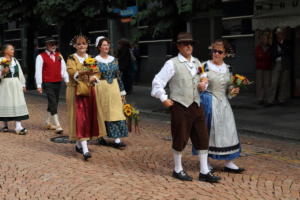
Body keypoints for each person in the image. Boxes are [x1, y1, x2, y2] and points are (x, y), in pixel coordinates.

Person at [151, 32, 220, 183]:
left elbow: (203, 78)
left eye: (191, 43)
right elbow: (157, 82)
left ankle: (204, 171)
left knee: (202, 137)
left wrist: (204, 84)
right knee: (180, 137)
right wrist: (163, 98)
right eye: (185, 43)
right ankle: (177, 169)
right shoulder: (172, 63)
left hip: (196, 104)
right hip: (180, 106)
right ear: (178, 46)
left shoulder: (197, 63)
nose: (189, 46)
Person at [192, 39, 244, 174]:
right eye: (214, 51)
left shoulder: (228, 68)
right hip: (208, 103)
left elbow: (229, 88)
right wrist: (200, 86)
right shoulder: (204, 66)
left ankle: (229, 161)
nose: (216, 54)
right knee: (207, 132)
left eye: (219, 52)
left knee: (228, 131)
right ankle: (205, 162)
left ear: (225, 54)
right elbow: (195, 83)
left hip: (224, 105)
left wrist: (233, 91)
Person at [66, 34, 101, 160]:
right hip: (76, 91)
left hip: (89, 90)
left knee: (88, 117)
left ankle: (78, 143)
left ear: (87, 45)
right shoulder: (71, 58)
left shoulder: (90, 57)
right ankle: (85, 149)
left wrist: (94, 77)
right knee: (80, 118)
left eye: (84, 44)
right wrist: (84, 71)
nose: (82, 46)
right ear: (75, 46)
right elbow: (72, 73)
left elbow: (97, 72)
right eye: (79, 44)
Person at [94, 36, 128, 150]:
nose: (106, 47)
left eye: (107, 45)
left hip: (113, 88)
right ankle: (100, 136)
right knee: (102, 112)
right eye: (104, 45)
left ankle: (117, 139)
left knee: (116, 112)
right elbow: (91, 76)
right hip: (100, 88)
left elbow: (118, 76)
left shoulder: (114, 60)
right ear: (99, 47)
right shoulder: (94, 60)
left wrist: (122, 91)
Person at [35, 37, 69, 133]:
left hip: (57, 82)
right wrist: (39, 85)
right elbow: (38, 71)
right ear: (46, 45)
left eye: (55, 44)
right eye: (51, 44)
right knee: (53, 101)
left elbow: (63, 68)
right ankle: (58, 125)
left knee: (54, 102)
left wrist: (66, 80)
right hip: (47, 82)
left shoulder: (59, 55)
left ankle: (47, 121)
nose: (53, 46)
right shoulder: (40, 57)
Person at [0, 44, 29, 135]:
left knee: (17, 103)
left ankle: (18, 126)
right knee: (6, 103)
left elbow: (20, 72)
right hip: (5, 84)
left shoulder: (15, 60)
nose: (13, 50)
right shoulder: (1, 60)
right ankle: (5, 125)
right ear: (5, 51)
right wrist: (2, 72)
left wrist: (23, 84)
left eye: (13, 49)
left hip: (15, 84)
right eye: (11, 49)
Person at [266, 27, 293, 106]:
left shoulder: (288, 42)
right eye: (277, 34)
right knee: (274, 82)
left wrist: (281, 46)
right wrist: (279, 53)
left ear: (283, 34)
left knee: (284, 82)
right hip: (276, 63)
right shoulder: (274, 43)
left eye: (280, 33)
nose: (279, 35)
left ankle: (281, 100)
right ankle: (270, 100)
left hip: (285, 63)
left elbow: (289, 51)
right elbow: (272, 54)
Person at [255, 32, 272, 105]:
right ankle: (260, 98)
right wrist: (263, 56)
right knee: (260, 84)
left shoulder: (269, 47)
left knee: (267, 84)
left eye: (265, 38)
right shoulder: (258, 47)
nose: (264, 40)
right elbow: (258, 56)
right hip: (260, 67)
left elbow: (270, 56)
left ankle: (267, 98)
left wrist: (263, 56)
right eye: (262, 38)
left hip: (267, 67)